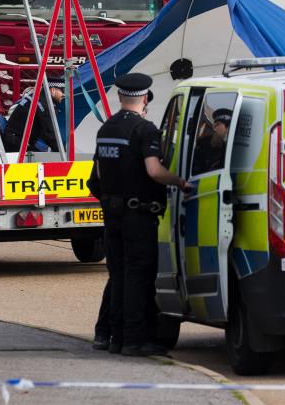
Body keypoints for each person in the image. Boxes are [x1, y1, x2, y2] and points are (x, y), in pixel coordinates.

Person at [87, 73, 188, 356]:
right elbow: (154, 171)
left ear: (120, 97)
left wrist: (111, 200)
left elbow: (93, 180)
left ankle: (112, 336)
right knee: (138, 276)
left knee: (118, 275)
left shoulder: (106, 129)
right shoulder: (145, 130)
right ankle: (134, 340)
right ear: (144, 98)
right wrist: (180, 181)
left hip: (112, 215)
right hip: (138, 216)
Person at [2, 75, 65, 152]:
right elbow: (49, 134)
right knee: (41, 161)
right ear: (53, 90)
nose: (64, 94)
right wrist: (63, 151)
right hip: (17, 143)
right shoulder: (45, 104)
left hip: (14, 140)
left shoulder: (37, 97)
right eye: (62, 91)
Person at [192, 108, 232, 175]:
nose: (229, 129)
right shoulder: (200, 144)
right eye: (227, 125)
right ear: (215, 126)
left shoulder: (227, 152)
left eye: (232, 126)